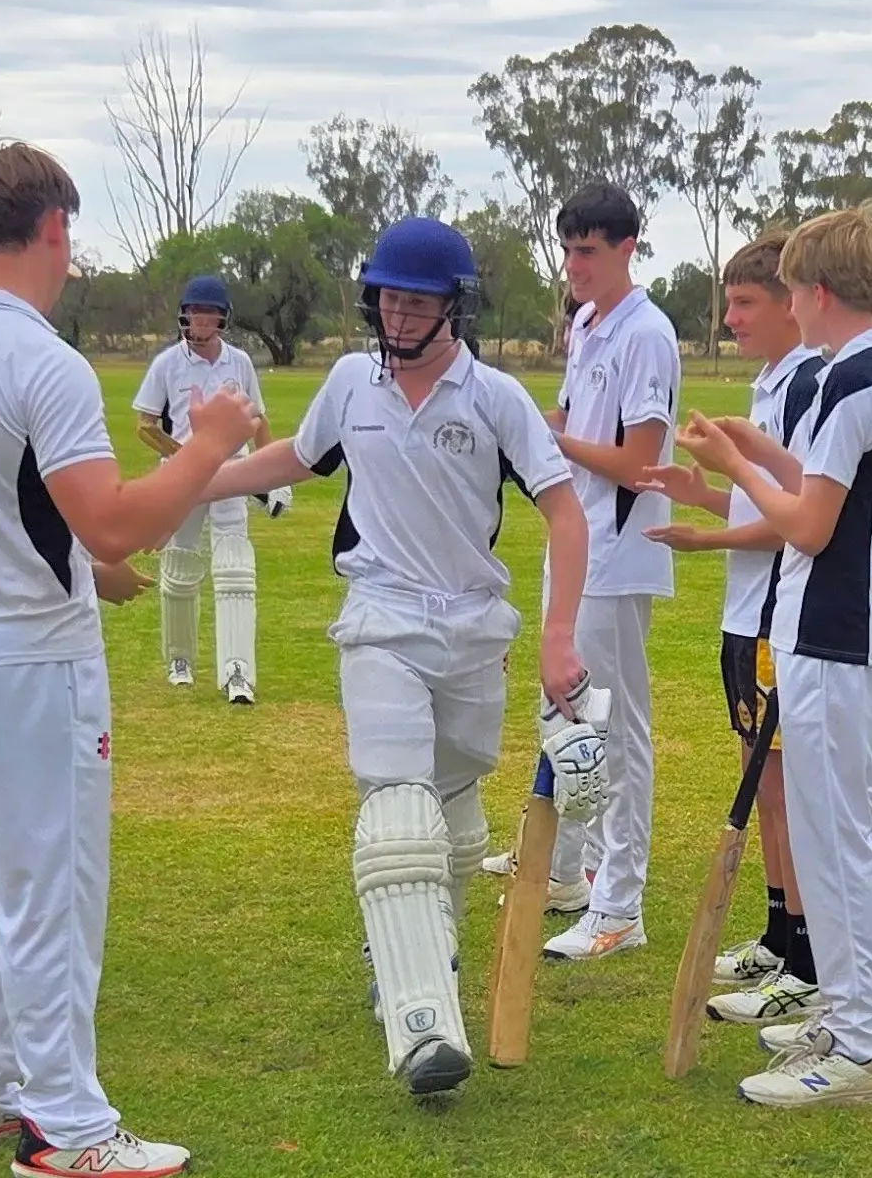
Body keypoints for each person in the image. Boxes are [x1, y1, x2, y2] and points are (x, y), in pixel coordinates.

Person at [0, 141, 249, 1175]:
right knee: (47, 882)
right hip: (23, 650)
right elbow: (112, 526)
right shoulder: (39, 359)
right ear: (55, 227)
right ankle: (65, 1123)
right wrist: (208, 442)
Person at [200, 215, 600, 1096]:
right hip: (378, 616)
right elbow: (295, 461)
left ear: (454, 307)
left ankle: (424, 951)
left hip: (471, 626)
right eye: (387, 296)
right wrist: (194, 477)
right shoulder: (349, 382)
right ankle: (421, 1014)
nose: (399, 312)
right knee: (397, 801)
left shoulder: (493, 397)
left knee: (454, 818)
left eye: (418, 300)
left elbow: (566, 514)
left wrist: (557, 635)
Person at [667, 203, 872, 1107]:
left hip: (828, 631)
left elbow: (810, 526)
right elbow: (824, 483)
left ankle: (857, 1049)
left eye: (787, 290)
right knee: (851, 830)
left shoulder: (854, 377)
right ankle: (863, 1009)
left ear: (816, 292)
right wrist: (754, 450)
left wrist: (740, 474)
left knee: (839, 837)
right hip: (839, 633)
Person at [483, 182, 680, 958]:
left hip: (620, 554)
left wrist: (552, 443)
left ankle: (621, 905)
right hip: (575, 543)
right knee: (565, 714)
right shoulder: (589, 325)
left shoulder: (648, 335)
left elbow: (639, 462)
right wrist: (524, 425)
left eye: (588, 251)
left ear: (627, 249)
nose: (573, 265)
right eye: (566, 249)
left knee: (615, 731)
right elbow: (569, 421)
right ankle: (565, 870)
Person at [639, 230, 826, 1023]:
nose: (730, 320)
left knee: (782, 793)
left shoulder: (803, 386)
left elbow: (797, 522)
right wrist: (701, 496)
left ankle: (808, 958)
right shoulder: (767, 383)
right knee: (765, 782)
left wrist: (705, 537)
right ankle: (780, 935)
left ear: (793, 302)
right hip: (743, 617)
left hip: (772, 618)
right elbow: (759, 503)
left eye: (745, 303)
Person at [133, 274, 287, 703]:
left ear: (222, 318)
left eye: (210, 313)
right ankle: (179, 660)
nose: (202, 320)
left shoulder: (238, 362)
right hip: (183, 479)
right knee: (181, 568)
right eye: (195, 312)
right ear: (185, 316)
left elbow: (257, 421)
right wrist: (183, 457)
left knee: (236, 569)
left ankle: (237, 672)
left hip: (231, 474)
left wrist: (271, 478)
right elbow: (145, 425)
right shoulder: (167, 363)